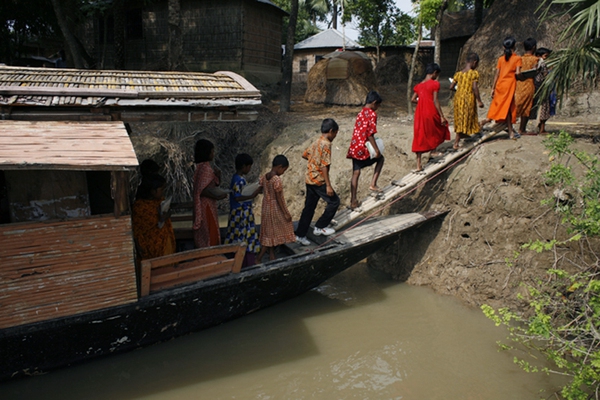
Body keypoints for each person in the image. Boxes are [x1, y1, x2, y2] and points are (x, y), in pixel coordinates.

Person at [295, 118, 341, 245]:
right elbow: (324, 166)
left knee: (309, 208)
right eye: (335, 134)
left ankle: (300, 234)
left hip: (309, 178)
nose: (335, 137)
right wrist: (328, 185)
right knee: (334, 202)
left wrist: (314, 163)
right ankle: (320, 226)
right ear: (331, 131)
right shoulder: (326, 144)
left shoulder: (316, 141)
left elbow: (305, 154)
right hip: (319, 181)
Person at [346, 91, 385, 210]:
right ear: (374, 103)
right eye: (377, 106)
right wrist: (376, 150)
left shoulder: (360, 112)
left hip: (354, 147)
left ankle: (353, 201)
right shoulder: (372, 114)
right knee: (381, 159)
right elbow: (370, 134)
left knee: (356, 173)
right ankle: (373, 184)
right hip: (363, 148)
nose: (377, 108)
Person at [224, 153, 262, 267]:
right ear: (244, 166)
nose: (249, 169)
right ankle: (245, 262)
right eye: (249, 167)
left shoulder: (237, 178)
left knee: (237, 235)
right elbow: (238, 197)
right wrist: (252, 195)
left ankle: (237, 261)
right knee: (244, 236)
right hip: (241, 214)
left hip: (238, 212)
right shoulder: (239, 180)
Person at [256, 155, 296, 263]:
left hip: (266, 208)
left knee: (270, 232)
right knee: (271, 234)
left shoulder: (265, 177)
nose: (283, 172)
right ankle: (258, 258)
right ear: (279, 167)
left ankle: (272, 255)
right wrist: (286, 213)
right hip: (274, 208)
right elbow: (279, 198)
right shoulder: (276, 179)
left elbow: (260, 189)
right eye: (284, 170)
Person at [411, 63, 450, 172]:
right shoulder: (434, 84)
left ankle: (418, 165)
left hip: (420, 113)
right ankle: (433, 150)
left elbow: (413, 99)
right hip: (430, 111)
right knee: (438, 128)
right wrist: (442, 116)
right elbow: (435, 100)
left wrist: (421, 101)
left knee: (420, 135)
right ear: (434, 73)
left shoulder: (419, 85)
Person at [482, 36, 522, 140]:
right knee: (507, 108)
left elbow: (497, 74)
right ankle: (508, 130)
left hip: (500, 85)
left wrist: (493, 88)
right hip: (509, 85)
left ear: (503, 47)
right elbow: (518, 73)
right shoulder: (517, 59)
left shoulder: (501, 59)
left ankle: (507, 129)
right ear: (515, 46)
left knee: (499, 105)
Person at [132, 173, 176, 261]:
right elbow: (139, 228)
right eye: (161, 189)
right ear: (153, 191)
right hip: (150, 244)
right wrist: (160, 217)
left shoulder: (160, 201)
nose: (163, 192)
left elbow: (165, 214)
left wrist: (166, 214)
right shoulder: (140, 207)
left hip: (164, 239)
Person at [192, 139, 227, 248]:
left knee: (206, 232)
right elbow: (201, 190)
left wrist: (218, 176)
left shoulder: (200, 167)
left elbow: (211, 185)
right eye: (212, 151)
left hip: (205, 205)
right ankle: (211, 257)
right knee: (210, 233)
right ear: (206, 153)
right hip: (206, 205)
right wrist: (219, 196)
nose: (213, 153)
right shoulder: (205, 168)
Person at [450, 52, 484, 150]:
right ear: (474, 62)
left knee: (460, 118)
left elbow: (451, 87)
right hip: (468, 98)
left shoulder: (458, 74)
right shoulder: (473, 73)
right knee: (466, 118)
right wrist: (479, 101)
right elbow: (474, 88)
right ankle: (456, 142)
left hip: (458, 98)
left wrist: (460, 90)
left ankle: (464, 135)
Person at [515, 37, 539, 135]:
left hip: (519, 85)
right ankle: (522, 129)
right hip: (529, 84)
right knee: (526, 107)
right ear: (534, 47)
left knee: (518, 104)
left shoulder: (519, 59)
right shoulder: (536, 59)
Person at [534, 47, 555, 134]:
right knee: (544, 108)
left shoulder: (538, 64)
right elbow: (545, 75)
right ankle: (541, 128)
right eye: (546, 56)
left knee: (543, 108)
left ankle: (541, 127)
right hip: (542, 88)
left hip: (540, 88)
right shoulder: (542, 64)